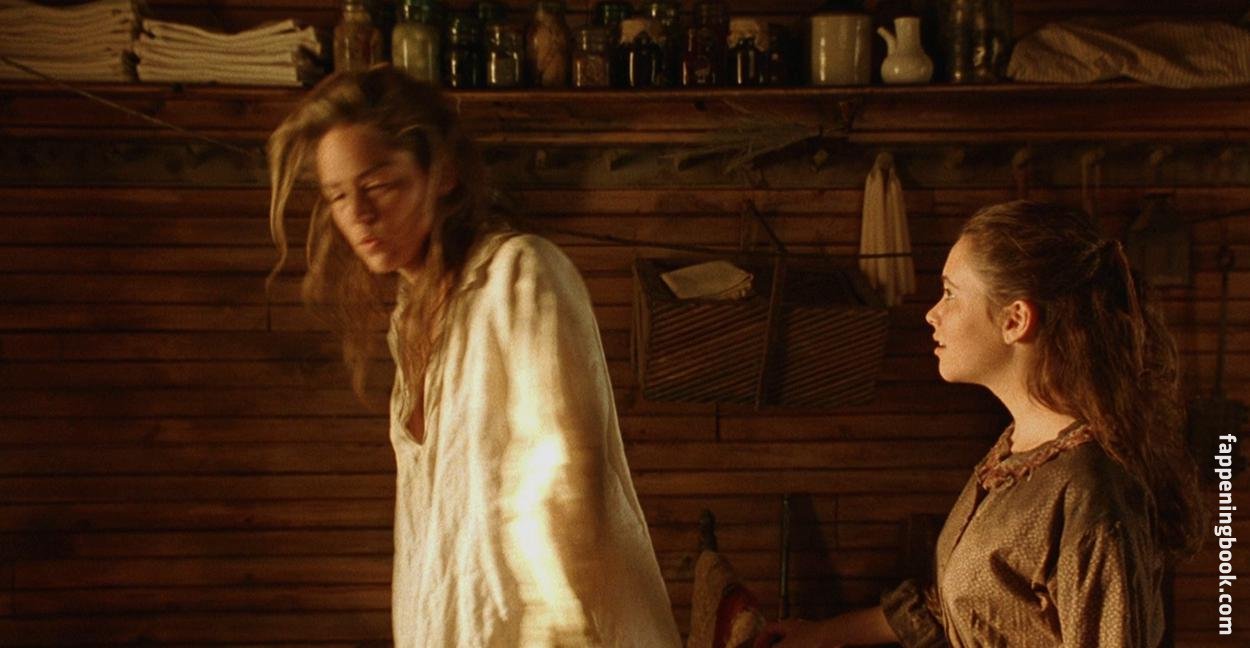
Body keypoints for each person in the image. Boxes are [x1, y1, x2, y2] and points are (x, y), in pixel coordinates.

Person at [266, 66, 681, 648]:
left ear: (443, 174)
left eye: (378, 183)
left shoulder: (519, 276)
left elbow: (567, 482)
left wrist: (555, 623)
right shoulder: (409, 321)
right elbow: (439, 542)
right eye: (337, 195)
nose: (357, 213)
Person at [758, 200, 1204, 647]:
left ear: (1015, 320)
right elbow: (972, 605)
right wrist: (822, 635)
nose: (932, 313)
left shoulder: (1090, 492)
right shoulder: (1016, 450)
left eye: (950, 293)